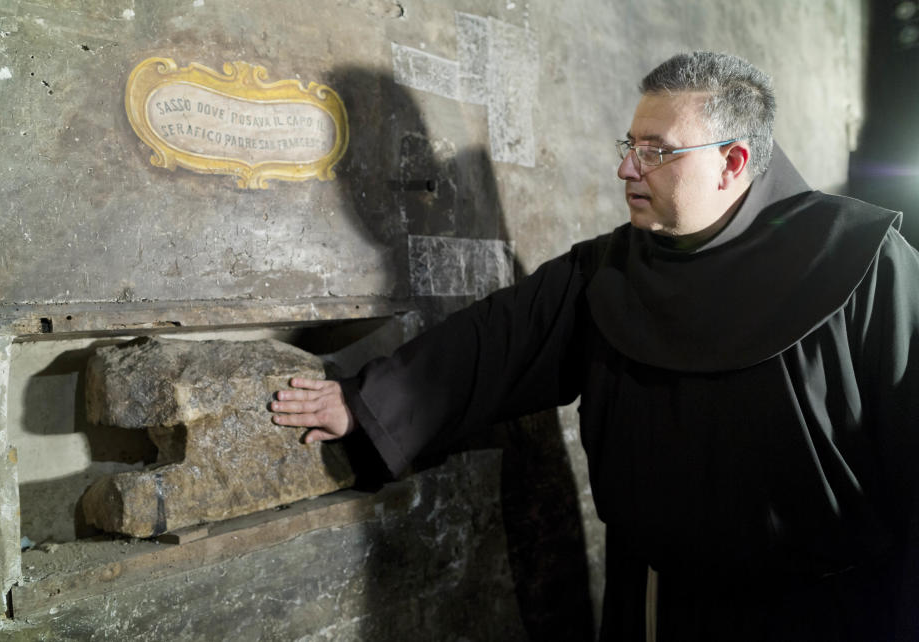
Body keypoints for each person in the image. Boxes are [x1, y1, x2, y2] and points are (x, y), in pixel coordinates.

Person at [269, 51, 919, 641]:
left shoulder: (864, 264)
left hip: (830, 617)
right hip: (661, 607)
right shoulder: (609, 271)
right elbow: (498, 341)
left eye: (656, 151)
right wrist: (366, 401)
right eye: (628, 145)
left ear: (733, 162)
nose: (626, 168)